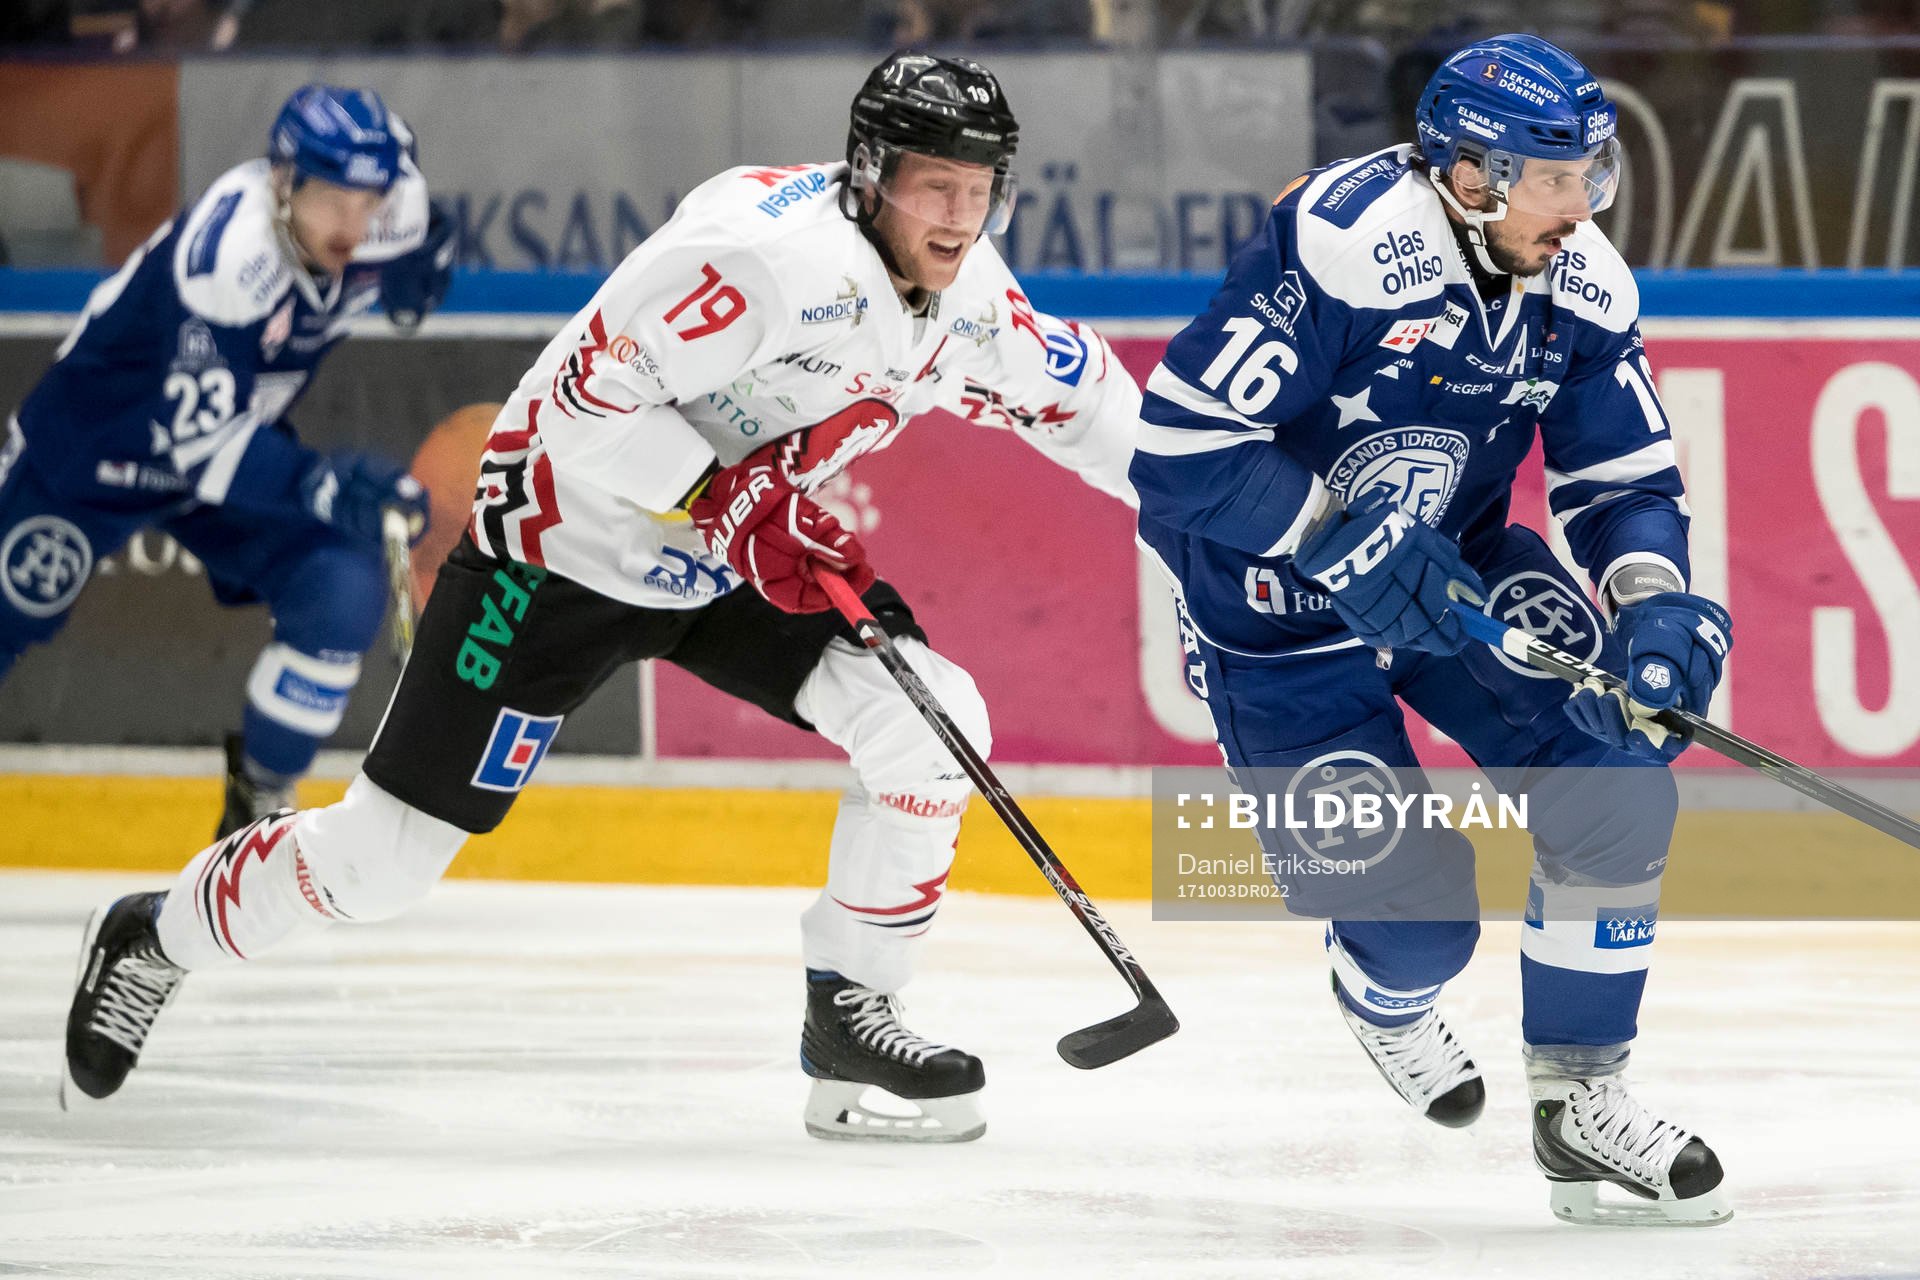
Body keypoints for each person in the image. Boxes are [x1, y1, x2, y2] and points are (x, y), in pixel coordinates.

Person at [61, 53, 1143, 1144]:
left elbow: (1086, 400)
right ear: (868, 172)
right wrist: (730, 499)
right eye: (933, 185)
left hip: (727, 557)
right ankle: (158, 934)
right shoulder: (761, 257)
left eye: (980, 187)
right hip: (560, 542)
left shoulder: (973, 302)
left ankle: (850, 1013)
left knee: (930, 723)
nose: (960, 217)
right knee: (382, 864)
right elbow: (584, 405)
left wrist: (1209, 503)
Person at [1131, 34, 1733, 1224]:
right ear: (1467, 171)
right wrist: (1325, 533)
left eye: (1589, 172)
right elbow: (1179, 453)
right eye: (1551, 176)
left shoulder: (1582, 278)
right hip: (1277, 609)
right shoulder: (1348, 245)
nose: (1581, 204)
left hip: (1452, 565)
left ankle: (1579, 1104)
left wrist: (1650, 596)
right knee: (1420, 926)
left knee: (1614, 777)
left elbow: (1620, 474)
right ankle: (1385, 995)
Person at [3, 85, 445, 838]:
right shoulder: (228, 257)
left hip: (229, 451)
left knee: (341, 583)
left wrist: (423, 259)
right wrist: (318, 482)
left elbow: (418, 260)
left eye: (369, 200)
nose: (353, 224)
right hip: (96, 453)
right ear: (282, 183)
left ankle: (254, 814)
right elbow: (194, 444)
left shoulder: (390, 216)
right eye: (334, 199)